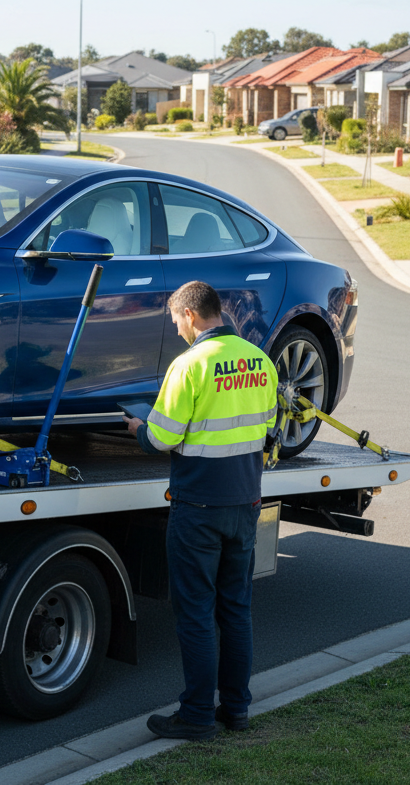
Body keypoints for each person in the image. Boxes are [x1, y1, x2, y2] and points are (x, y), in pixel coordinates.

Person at [124, 280, 278, 741]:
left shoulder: (189, 365)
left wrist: (137, 427)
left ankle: (195, 715)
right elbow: (267, 427)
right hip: (245, 504)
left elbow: (161, 437)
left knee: (195, 615)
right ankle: (236, 709)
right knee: (235, 611)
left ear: (191, 315)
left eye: (176, 320)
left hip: (198, 509)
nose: (177, 329)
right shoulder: (261, 360)